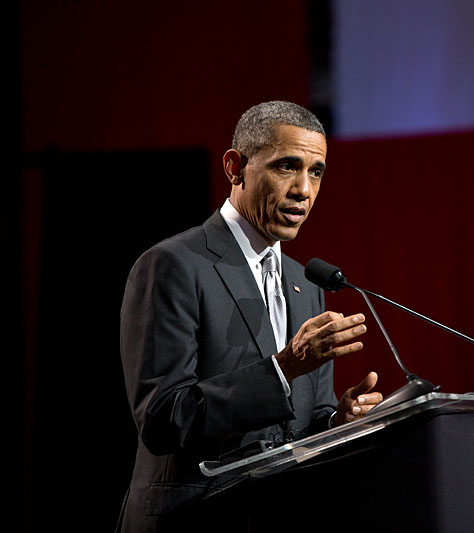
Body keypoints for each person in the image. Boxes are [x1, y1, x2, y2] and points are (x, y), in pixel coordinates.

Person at [117, 101, 383, 532]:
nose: (304, 189)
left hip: (276, 514)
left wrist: (340, 420)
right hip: (194, 520)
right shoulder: (174, 265)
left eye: (316, 172)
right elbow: (163, 419)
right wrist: (286, 366)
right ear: (235, 167)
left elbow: (307, 419)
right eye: (287, 167)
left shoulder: (305, 281)